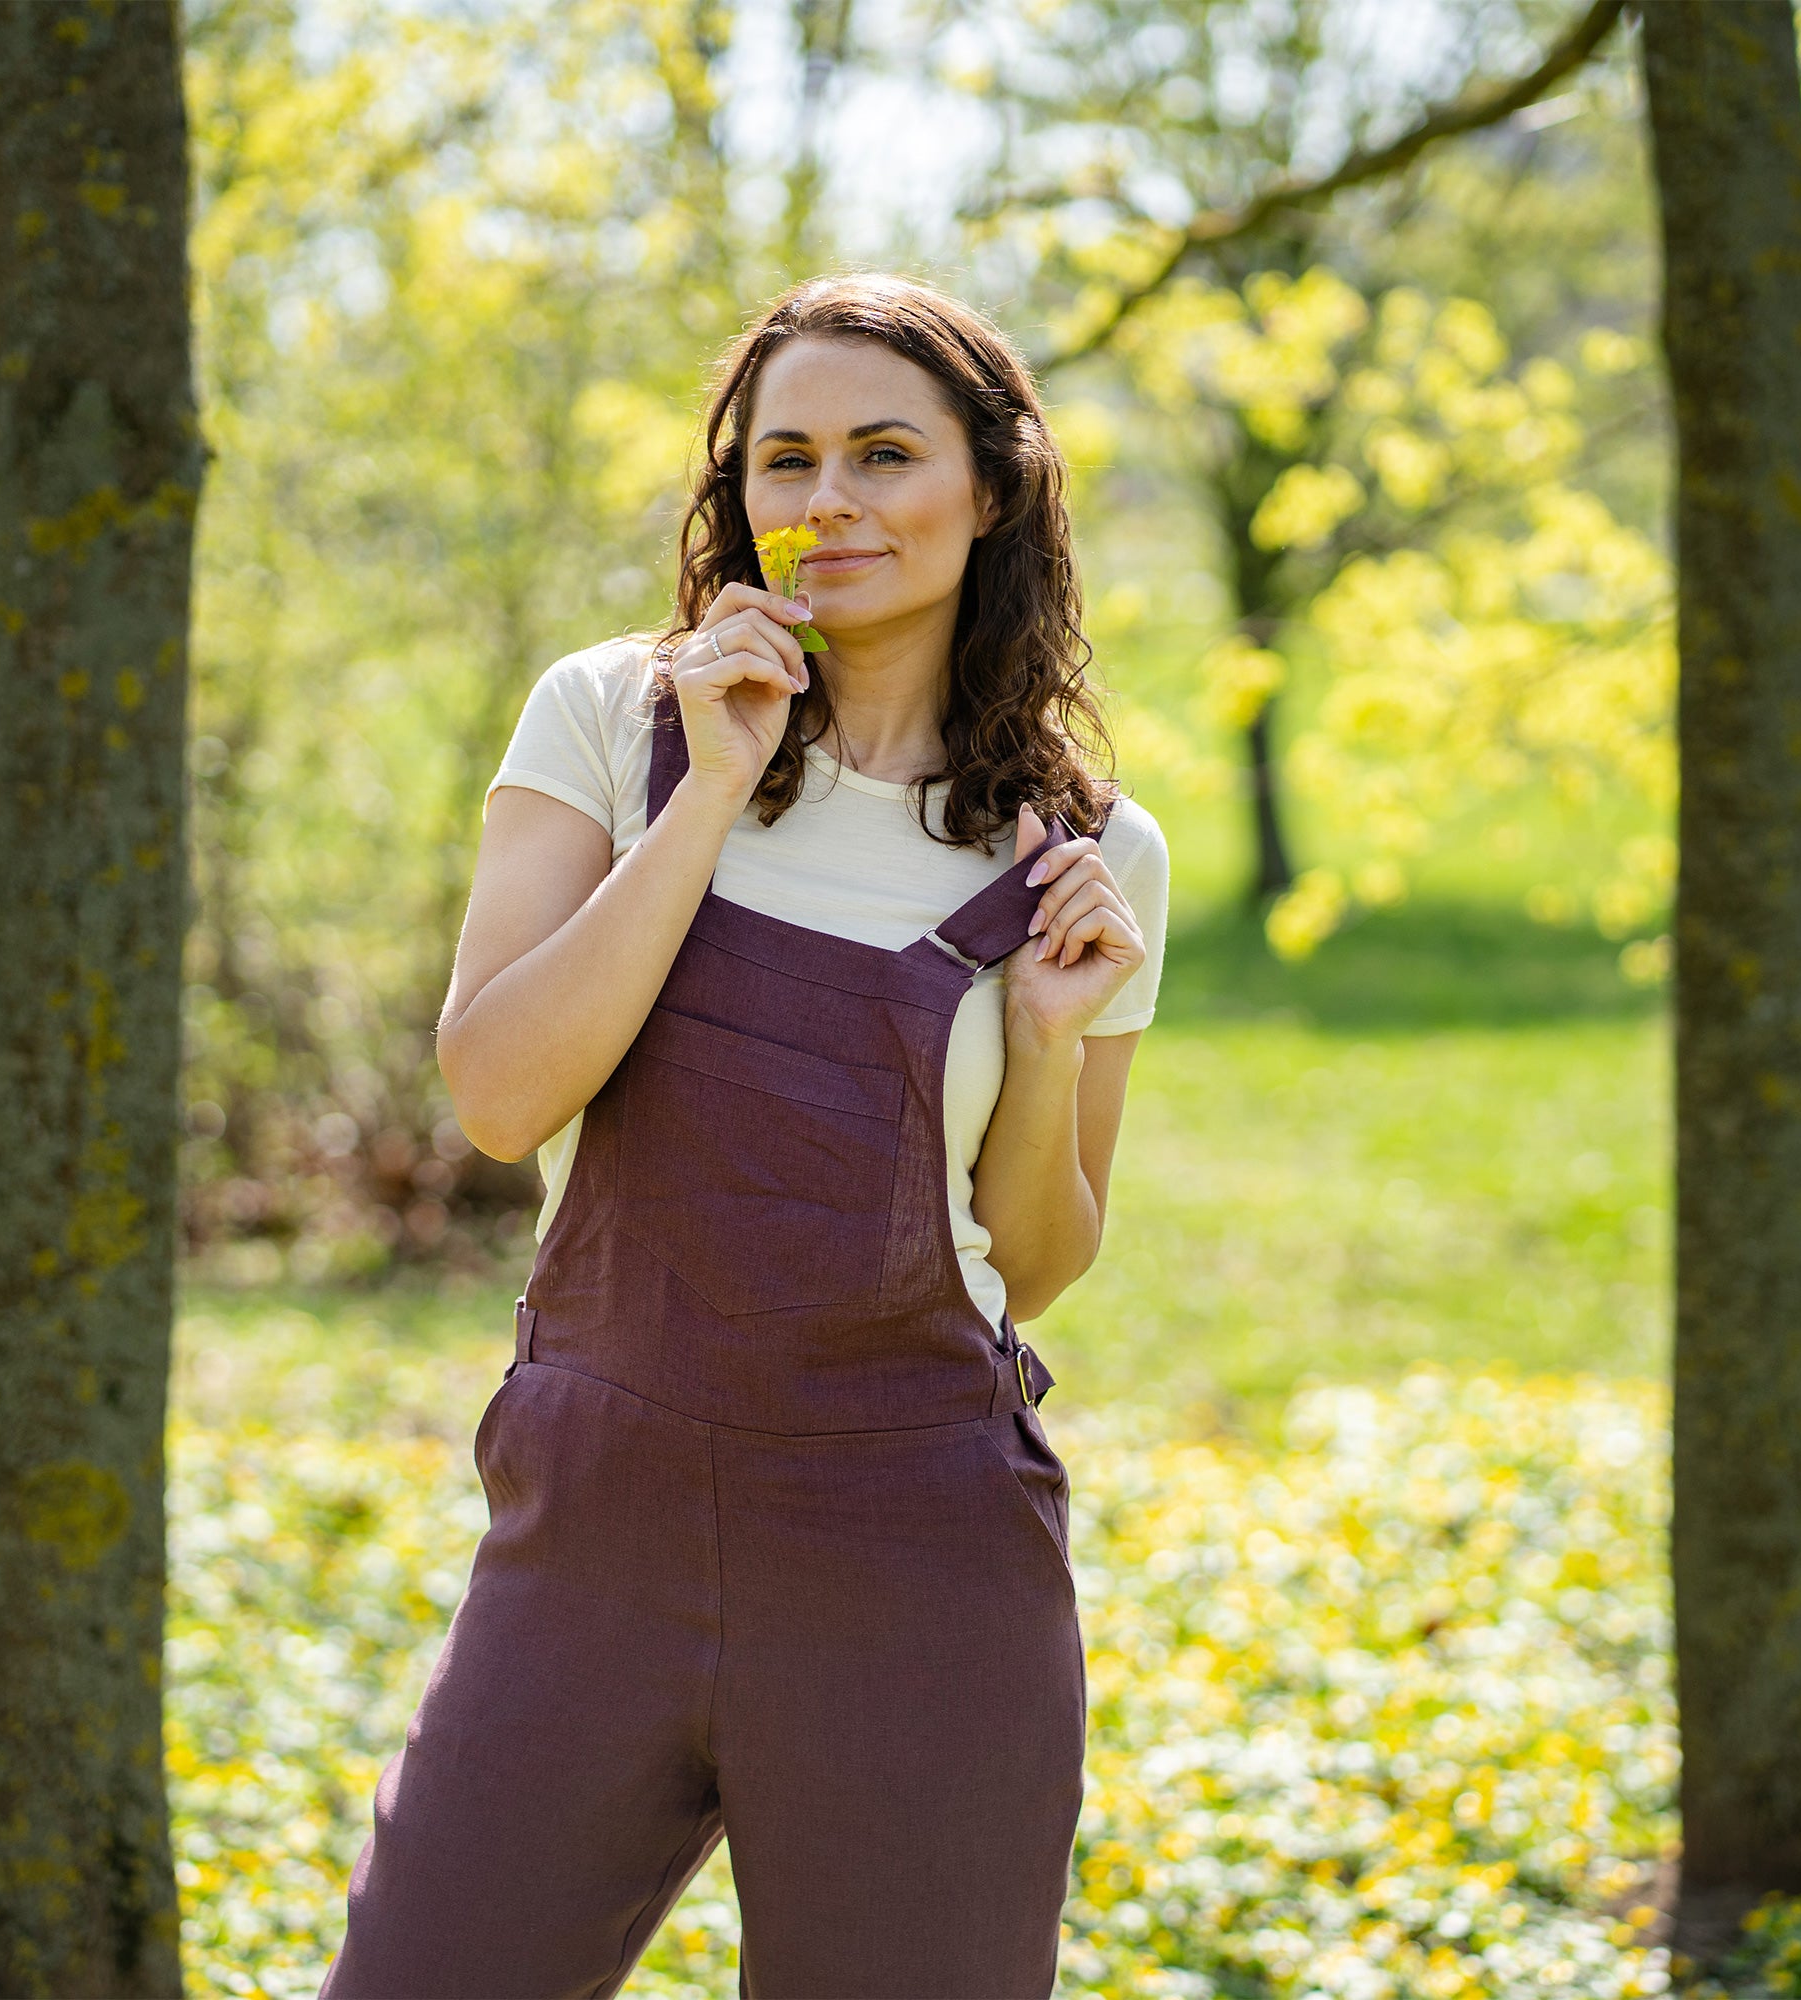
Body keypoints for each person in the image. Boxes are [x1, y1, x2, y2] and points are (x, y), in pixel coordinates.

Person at [320, 274, 1170, 2000]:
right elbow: (499, 1097)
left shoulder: (1081, 848)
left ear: (991, 486)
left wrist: (1039, 1034)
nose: (830, 501)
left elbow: (1038, 1262)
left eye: (884, 454)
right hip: (595, 1530)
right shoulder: (611, 719)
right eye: (788, 460)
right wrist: (711, 787)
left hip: (916, 1559)